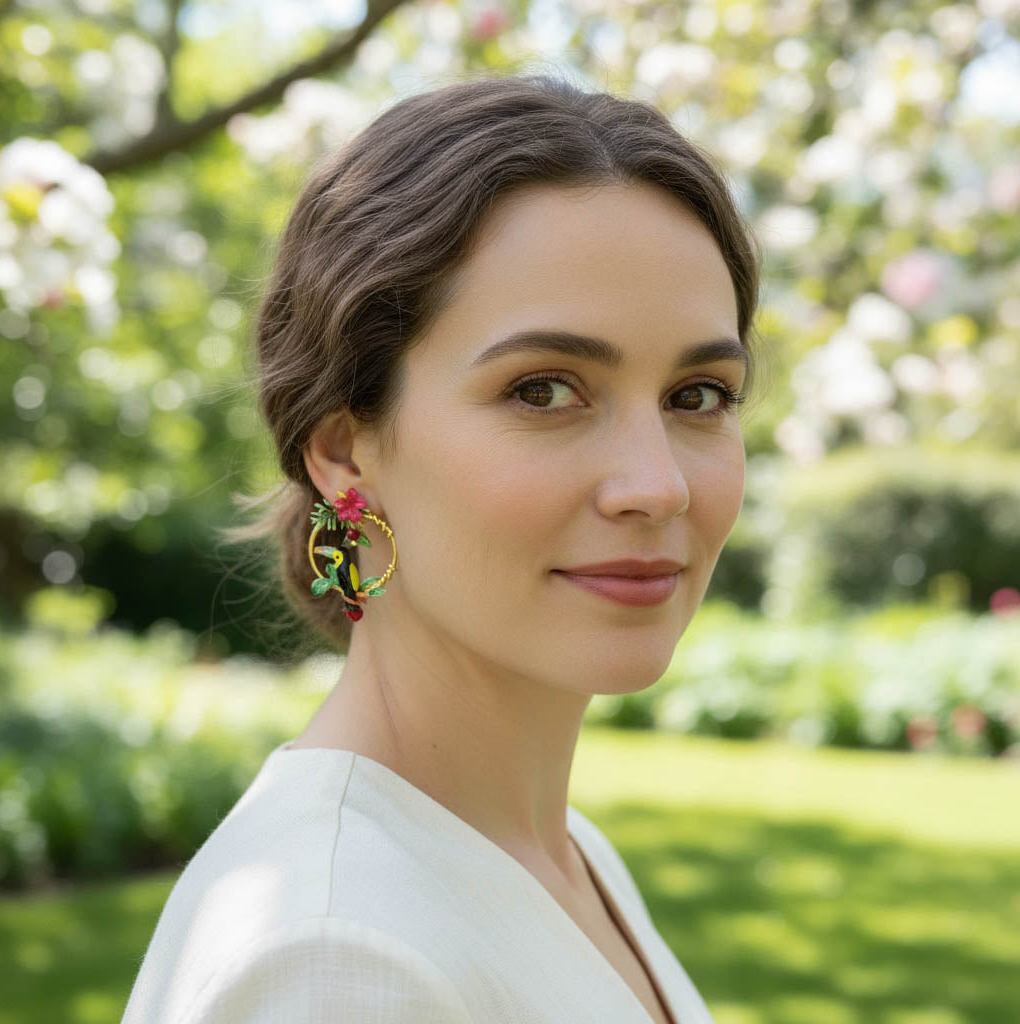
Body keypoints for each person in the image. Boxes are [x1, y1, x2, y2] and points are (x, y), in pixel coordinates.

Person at [121, 73, 760, 1024]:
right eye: (544, 391)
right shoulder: (334, 956)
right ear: (344, 449)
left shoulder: (554, 854)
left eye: (697, 396)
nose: (657, 485)